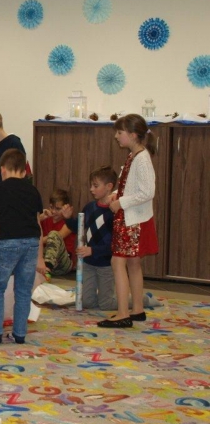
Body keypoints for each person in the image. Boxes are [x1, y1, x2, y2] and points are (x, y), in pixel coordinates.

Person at [99, 115, 158, 328]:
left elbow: (148, 192)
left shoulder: (141, 159)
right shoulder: (134, 156)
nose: (116, 136)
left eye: (119, 132)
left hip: (133, 220)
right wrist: (116, 195)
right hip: (131, 217)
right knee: (133, 263)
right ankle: (137, 309)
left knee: (117, 262)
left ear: (132, 135)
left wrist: (121, 202)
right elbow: (130, 187)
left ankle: (123, 313)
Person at [0, 149, 45, 345]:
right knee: (24, 291)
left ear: (3, 169)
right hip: (31, 243)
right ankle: (19, 334)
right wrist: (40, 257)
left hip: (8, 243)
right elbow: (39, 226)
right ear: (24, 171)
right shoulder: (33, 191)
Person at [64, 166, 118, 311]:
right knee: (87, 302)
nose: (91, 189)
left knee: (106, 304)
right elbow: (78, 227)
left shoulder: (114, 212)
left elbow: (114, 245)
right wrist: (68, 218)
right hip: (88, 263)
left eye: (95, 186)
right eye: (91, 185)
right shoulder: (89, 207)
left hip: (105, 265)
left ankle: (140, 300)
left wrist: (92, 250)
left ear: (109, 187)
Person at [40, 189, 77, 279]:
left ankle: (47, 269)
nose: (53, 211)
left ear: (66, 208)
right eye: (51, 207)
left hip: (63, 263)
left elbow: (56, 236)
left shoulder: (69, 223)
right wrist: (39, 218)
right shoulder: (45, 220)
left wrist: (38, 241)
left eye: (58, 209)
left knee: (53, 235)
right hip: (45, 259)